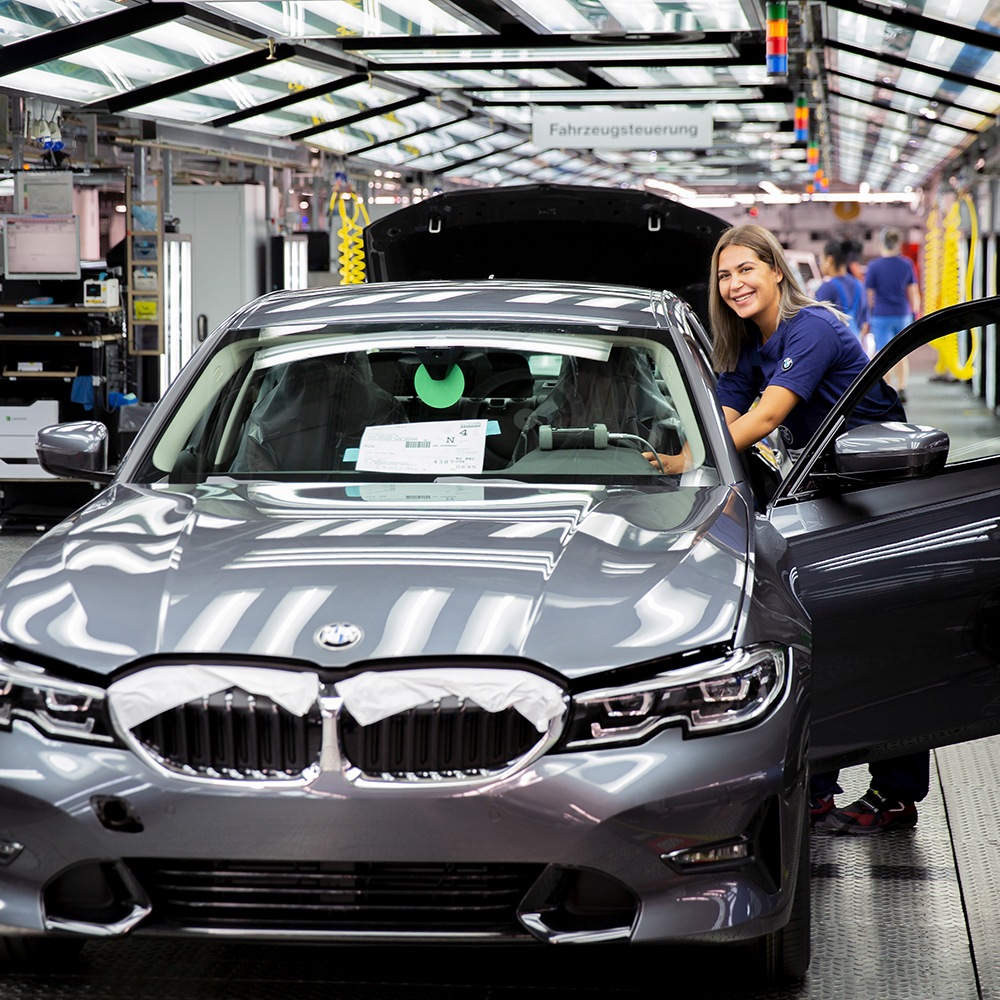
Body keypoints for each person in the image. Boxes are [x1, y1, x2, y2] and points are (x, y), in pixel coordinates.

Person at [644, 224, 924, 834]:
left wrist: (687, 461)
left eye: (746, 269)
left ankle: (895, 793)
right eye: (724, 275)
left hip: (879, 493)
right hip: (822, 495)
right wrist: (680, 452)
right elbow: (722, 417)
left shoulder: (813, 327)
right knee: (818, 639)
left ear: (776, 270)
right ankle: (819, 784)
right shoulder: (748, 343)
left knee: (881, 637)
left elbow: (767, 415)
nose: (735, 284)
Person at [865, 227, 920, 402]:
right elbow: (913, 293)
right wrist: (915, 315)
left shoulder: (873, 266)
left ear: (881, 242)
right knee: (901, 354)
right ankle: (902, 387)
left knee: (883, 354)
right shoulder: (906, 264)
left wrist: (867, 317)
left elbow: (869, 297)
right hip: (902, 314)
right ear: (897, 244)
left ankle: (888, 391)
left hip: (881, 316)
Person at [816, 238, 867, 343]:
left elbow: (817, 323)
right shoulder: (859, 285)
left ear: (829, 260)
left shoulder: (827, 287)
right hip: (855, 344)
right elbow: (865, 323)